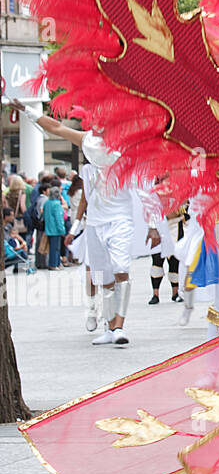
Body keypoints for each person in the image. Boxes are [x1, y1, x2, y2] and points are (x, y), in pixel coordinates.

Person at [18, 110, 135, 346]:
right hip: (95, 224)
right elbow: (56, 128)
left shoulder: (127, 143)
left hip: (121, 219)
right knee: (102, 276)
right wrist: (27, 111)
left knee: (121, 268)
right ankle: (110, 327)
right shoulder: (88, 146)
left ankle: (120, 326)